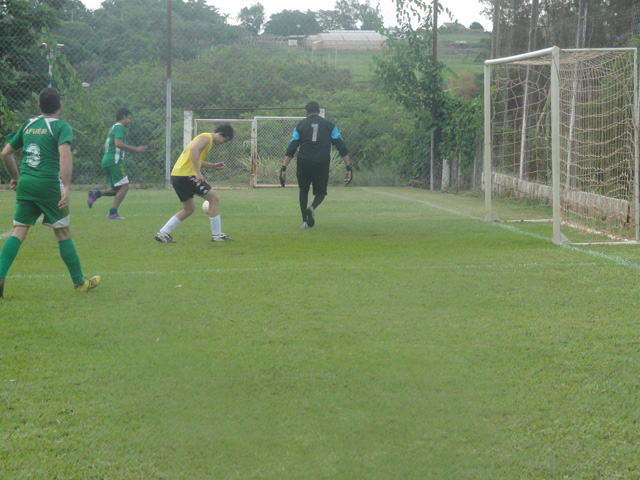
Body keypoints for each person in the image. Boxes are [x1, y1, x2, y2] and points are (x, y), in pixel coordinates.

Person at [0, 87, 100, 298]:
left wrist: (17, 178)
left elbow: (6, 153)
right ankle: (79, 283)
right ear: (60, 106)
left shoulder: (28, 125)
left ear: (39, 105)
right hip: (48, 185)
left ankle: (0, 275)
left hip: (26, 184)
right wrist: (67, 187)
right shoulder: (61, 127)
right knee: (63, 232)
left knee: (18, 231)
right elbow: (64, 156)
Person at [154, 124, 235, 244]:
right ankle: (217, 235)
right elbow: (193, 150)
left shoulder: (206, 139)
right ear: (219, 134)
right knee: (214, 198)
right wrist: (197, 172)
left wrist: (212, 166)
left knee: (189, 209)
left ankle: (162, 233)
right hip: (187, 175)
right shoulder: (207, 138)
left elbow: (194, 158)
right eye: (225, 140)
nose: (224, 143)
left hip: (178, 175)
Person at [280, 101, 353, 228]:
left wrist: (283, 167)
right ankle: (312, 207)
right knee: (321, 193)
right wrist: (348, 167)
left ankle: (304, 222)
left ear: (306, 112)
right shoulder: (329, 125)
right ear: (319, 112)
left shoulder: (301, 125)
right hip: (321, 162)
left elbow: (292, 147)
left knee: (303, 190)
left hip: (304, 161)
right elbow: (341, 146)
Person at [87, 108, 147, 219]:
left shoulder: (113, 128)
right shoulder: (120, 127)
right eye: (129, 118)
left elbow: (106, 146)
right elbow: (118, 144)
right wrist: (137, 149)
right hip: (115, 161)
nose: (130, 121)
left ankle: (96, 194)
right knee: (125, 186)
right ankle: (112, 213)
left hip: (107, 160)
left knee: (118, 190)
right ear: (123, 117)